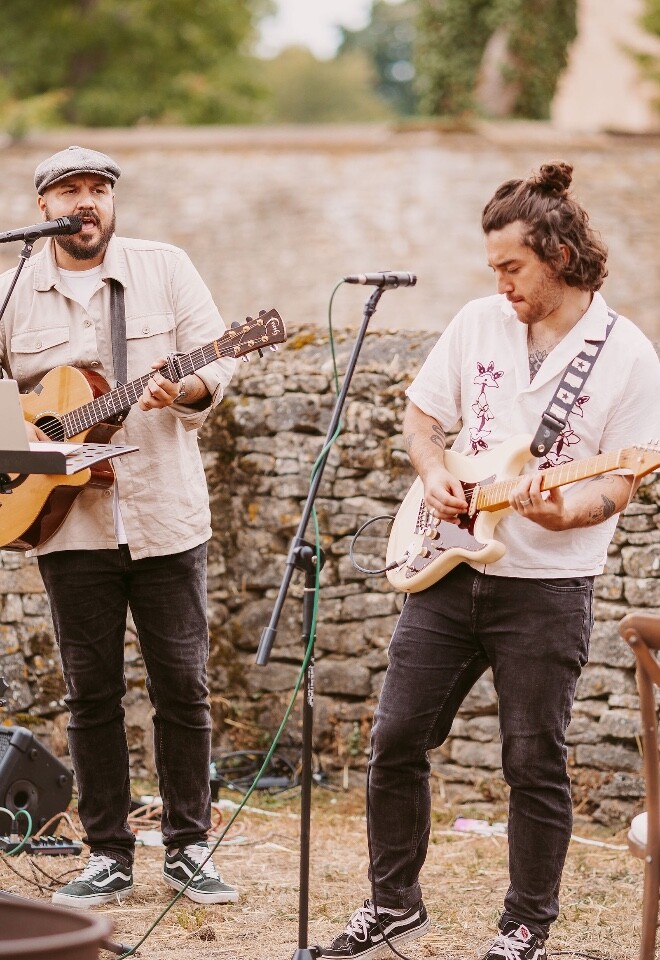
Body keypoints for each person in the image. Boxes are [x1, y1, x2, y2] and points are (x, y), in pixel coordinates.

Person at [319, 161, 660, 960]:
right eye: (493, 268)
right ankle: (393, 902)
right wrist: (434, 473)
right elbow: (422, 418)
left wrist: (564, 507)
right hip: (448, 571)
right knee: (396, 739)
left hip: (547, 587)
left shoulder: (628, 355)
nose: (500, 282)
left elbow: (622, 478)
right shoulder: (478, 322)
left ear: (561, 257)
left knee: (532, 758)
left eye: (513, 267)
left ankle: (524, 927)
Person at [0, 145, 239, 908]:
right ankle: (107, 850)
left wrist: (190, 384)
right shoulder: (11, 293)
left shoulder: (164, 268)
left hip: (165, 515)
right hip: (67, 525)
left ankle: (189, 846)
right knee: (91, 693)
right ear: (44, 207)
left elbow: (223, 358)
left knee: (183, 687)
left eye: (99, 188)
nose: (88, 200)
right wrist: (28, 451)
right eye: (71, 189)